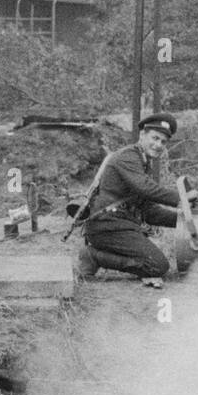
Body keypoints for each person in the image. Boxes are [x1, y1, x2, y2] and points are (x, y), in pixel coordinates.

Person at [77, 113, 182, 290]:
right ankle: (93, 256)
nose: (158, 145)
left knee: (155, 264)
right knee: (157, 266)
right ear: (142, 135)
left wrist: (182, 220)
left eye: (163, 142)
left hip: (120, 226)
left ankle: (98, 255)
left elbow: (148, 211)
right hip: (107, 226)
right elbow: (146, 188)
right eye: (155, 138)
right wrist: (182, 200)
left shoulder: (141, 161)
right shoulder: (128, 157)